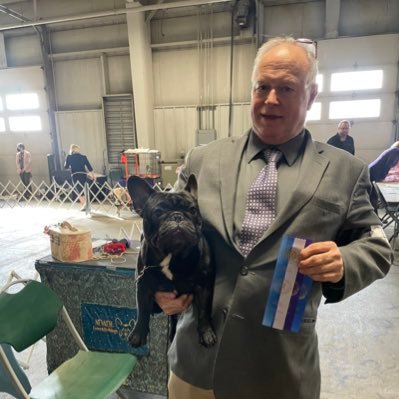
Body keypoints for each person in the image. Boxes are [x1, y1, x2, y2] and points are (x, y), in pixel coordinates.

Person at [154, 36, 392, 399]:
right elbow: (161, 224)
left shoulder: (346, 172)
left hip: (281, 369)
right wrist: (160, 284)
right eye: (262, 87)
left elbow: (377, 246)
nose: (270, 99)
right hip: (199, 364)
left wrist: (344, 260)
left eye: (286, 88)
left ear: (311, 95)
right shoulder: (203, 159)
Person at [368, 141, 399, 209]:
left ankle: (374, 214)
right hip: (373, 172)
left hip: (374, 171)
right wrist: (382, 178)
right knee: (373, 196)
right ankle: (374, 215)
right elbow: (387, 167)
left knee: (373, 195)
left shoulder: (394, 151)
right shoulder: (395, 151)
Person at [64, 144, 95, 208]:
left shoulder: (69, 157)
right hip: (84, 175)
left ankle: (85, 206)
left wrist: (66, 160)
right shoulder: (83, 157)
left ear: (71, 150)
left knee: (78, 191)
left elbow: (66, 167)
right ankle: (86, 205)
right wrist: (93, 176)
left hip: (75, 176)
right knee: (85, 190)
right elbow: (90, 167)